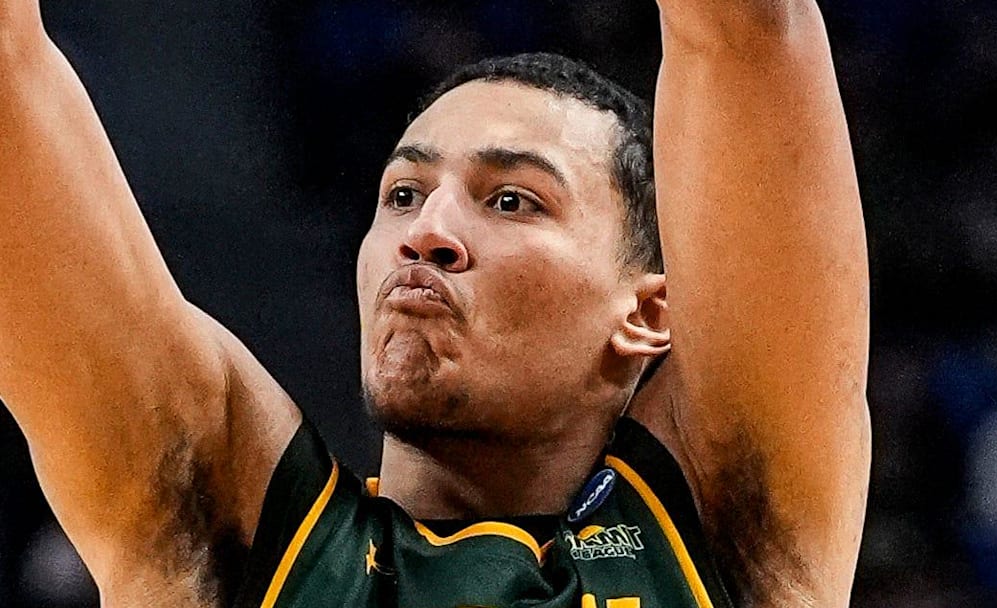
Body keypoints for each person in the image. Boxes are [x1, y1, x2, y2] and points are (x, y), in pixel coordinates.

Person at [0, 0, 870, 606]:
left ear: (645, 315)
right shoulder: (226, 525)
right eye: (404, 195)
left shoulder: (729, 537)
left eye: (511, 200)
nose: (427, 234)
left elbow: (748, 33)